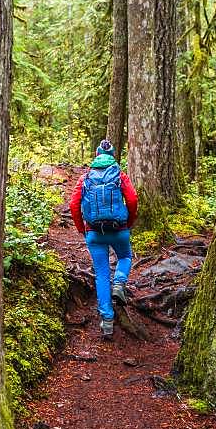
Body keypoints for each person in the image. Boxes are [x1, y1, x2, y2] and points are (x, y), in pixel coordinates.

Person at [69, 140, 138, 340]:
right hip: (119, 230)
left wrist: (82, 228)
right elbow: (132, 199)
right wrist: (129, 221)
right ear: (113, 155)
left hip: (94, 233)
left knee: (101, 273)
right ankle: (119, 282)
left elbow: (74, 205)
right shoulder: (120, 175)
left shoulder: (85, 177)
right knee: (125, 256)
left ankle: (107, 321)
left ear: (97, 154)